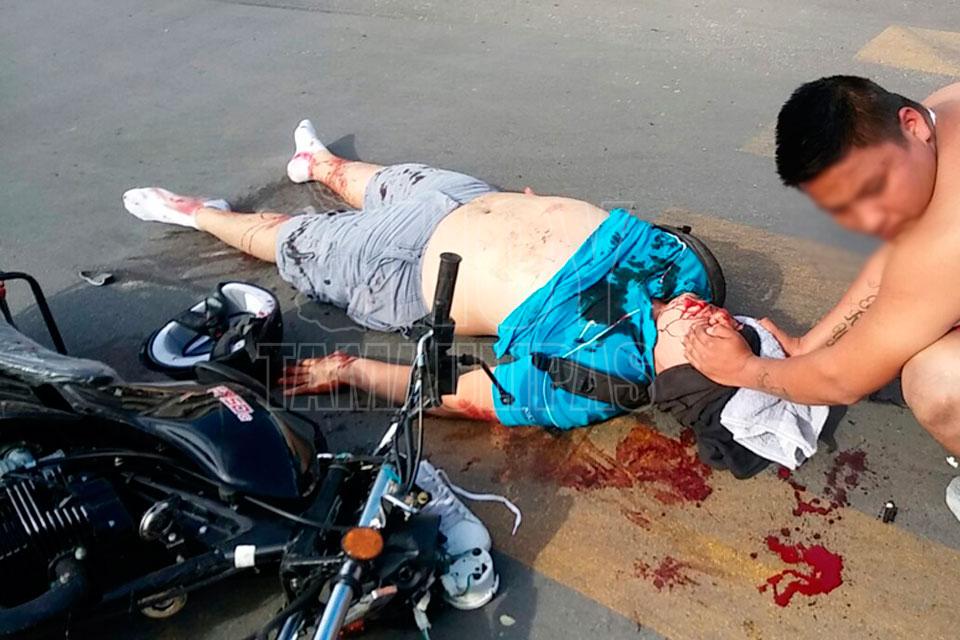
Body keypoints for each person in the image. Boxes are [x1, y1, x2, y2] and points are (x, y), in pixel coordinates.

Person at [124, 119, 715, 429]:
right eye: (730, 323)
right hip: (473, 199)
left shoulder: (598, 377)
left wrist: (352, 370)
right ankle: (319, 163)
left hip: (408, 264)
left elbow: (465, 397)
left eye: (711, 333)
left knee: (292, 240)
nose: (714, 316)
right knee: (384, 179)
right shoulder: (691, 276)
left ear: (684, 374)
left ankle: (199, 214)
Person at [680, 77, 960, 507]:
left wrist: (742, 369)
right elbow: (901, 251)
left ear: (912, 125)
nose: (870, 220)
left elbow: (842, 379)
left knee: (939, 384)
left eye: (872, 189)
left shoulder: (945, 238)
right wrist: (809, 344)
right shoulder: (941, 109)